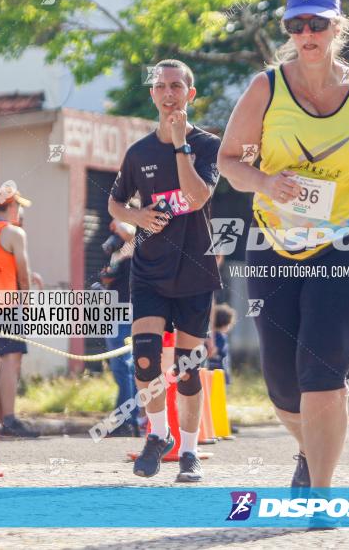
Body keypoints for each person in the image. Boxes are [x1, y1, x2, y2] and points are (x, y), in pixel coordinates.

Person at [217, 0, 349, 489]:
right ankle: (311, 451)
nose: (307, 33)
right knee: (282, 385)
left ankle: (320, 494)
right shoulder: (266, 89)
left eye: (317, 23)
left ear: (337, 27)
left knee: (321, 370)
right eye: (296, 24)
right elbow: (228, 161)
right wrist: (264, 182)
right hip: (275, 247)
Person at [109, 58, 221, 482]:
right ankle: (158, 435)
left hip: (195, 271)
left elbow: (194, 198)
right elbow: (115, 202)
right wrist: (135, 217)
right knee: (144, 359)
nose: (169, 93)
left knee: (190, 368)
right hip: (150, 270)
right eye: (162, 86)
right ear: (153, 93)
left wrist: (179, 145)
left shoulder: (208, 145)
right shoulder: (138, 152)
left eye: (177, 86)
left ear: (190, 94)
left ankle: (189, 451)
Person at [0, 188, 40, 438]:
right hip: (9, 305)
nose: (21, 212)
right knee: (12, 361)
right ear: (12, 206)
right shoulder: (15, 233)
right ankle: (10, 419)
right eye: (19, 207)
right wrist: (26, 302)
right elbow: (22, 272)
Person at [100, 220, 139, 436]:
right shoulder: (119, 251)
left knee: (123, 366)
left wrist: (118, 220)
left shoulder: (137, 241)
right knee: (123, 367)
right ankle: (128, 417)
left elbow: (131, 232)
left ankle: (126, 420)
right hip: (115, 310)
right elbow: (108, 280)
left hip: (125, 311)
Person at [206, 304, 235, 385]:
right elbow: (215, 351)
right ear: (226, 324)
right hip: (219, 373)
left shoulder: (208, 336)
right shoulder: (221, 337)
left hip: (209, 372)